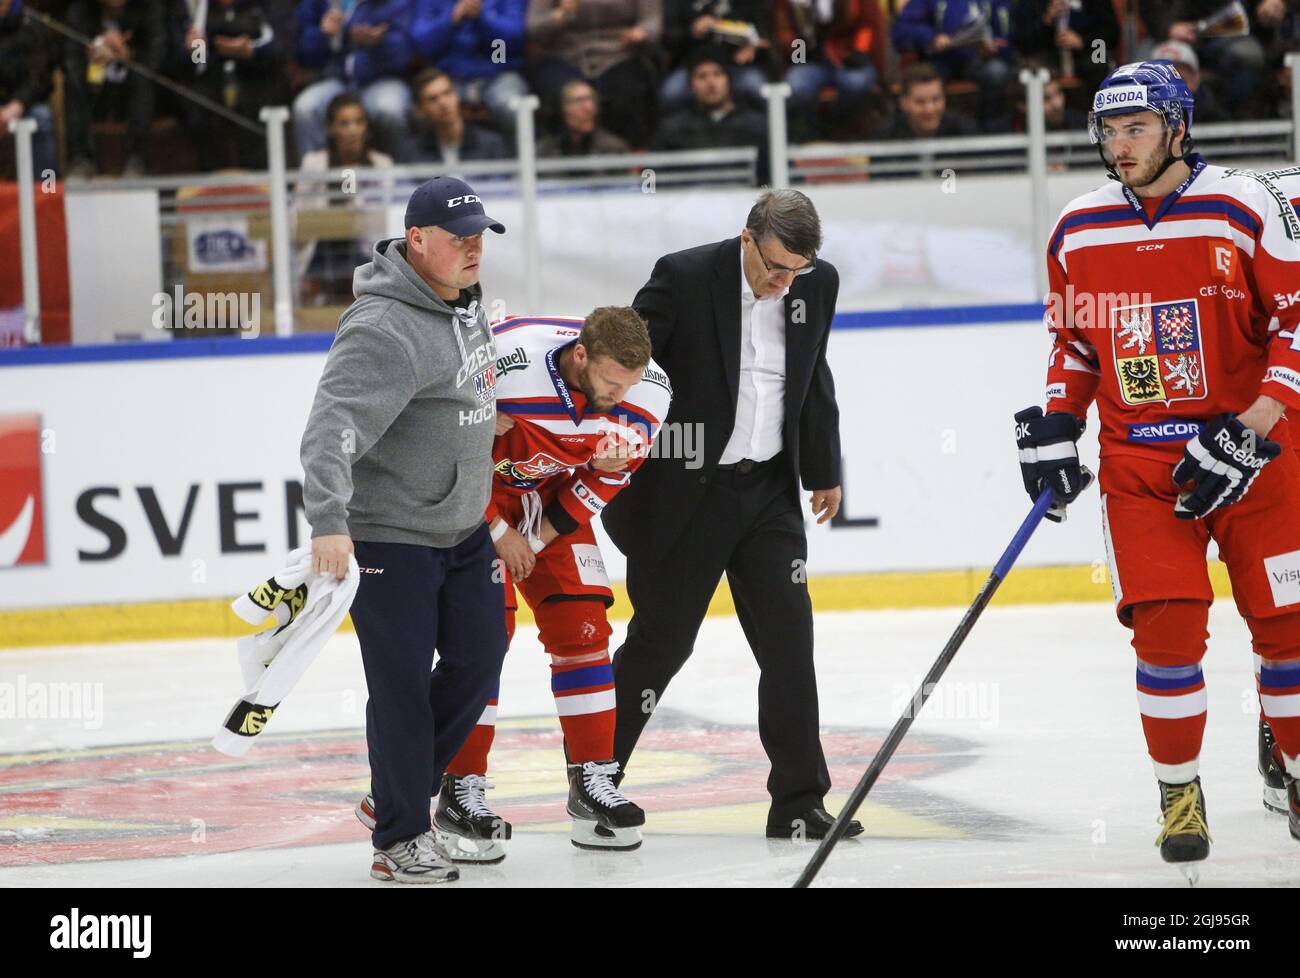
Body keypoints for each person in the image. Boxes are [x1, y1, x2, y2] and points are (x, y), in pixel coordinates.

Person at [1016, 61, 1300, 869]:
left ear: (1178, 127)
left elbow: (1296, 324)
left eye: (1136, 127)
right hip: (1142, 467)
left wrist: (1256, 424)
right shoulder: (1078, 227)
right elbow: (1073, 342)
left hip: (1260, 458)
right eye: (1108, 130)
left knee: (1287, 632)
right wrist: (1057, 421)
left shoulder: (1244, 208)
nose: (1119, 143)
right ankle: (1179, 793)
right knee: (1166, 641)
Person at [357, 309, 671, 862]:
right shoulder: (503, 362)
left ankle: (594, 779)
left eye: (630, 384)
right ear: (580, 357)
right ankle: (458, 786)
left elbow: (608, 477)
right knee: (482, 641)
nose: (622, 397)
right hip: (470, 501)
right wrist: (500, 531)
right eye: (610, 384)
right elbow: (444, 454)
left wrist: (540, 538)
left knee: (585, 628)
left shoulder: (648, 394)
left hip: (550, 502)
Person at [602, 188, 864, 841]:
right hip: (688, 495)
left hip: (770, 491)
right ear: (747, 238)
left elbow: (812, 372)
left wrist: (823, 467)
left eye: (795, 272)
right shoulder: (685, 277)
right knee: (660, 646)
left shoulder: (814, 283)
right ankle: (594, 780)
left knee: (788, 644)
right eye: (774, 267)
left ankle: (799, 800)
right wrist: (605, 443)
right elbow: (624, 363)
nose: (783, 284)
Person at [300, 175, 508, 883]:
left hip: (462, 530)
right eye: (459, 238)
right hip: (391, 536)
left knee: (482, 658)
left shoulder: (463, 302)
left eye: (480, 234)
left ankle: (397, 792)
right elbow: (332, 427)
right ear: (417, 241)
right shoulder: (384, 327)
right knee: (400, 689)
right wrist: (328, 519)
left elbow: (457, 399)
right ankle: (399, 835)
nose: (474, 247)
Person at [295, 93, 394, 302]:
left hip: (366, 253)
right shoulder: (314, 164)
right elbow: (298, 220)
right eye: (344, 123)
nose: (352, 130)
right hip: (321, 254)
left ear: (367, 127)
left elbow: (386, 221)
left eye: (358, 122)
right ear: (331, 128)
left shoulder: (382, 164)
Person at [526, 0, 662, 149]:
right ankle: (559, 160)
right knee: (560, 95)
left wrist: (642, 32)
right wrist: (559, 15)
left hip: (620, 53)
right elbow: (533, 28)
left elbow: (652, 22)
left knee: (627, 92)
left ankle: (629, 159)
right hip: (565, 56)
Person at [292, 0, 415, 158]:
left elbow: (406, 55)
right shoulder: (325, 3)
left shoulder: (397, 4)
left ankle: (404, 178)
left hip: (383, 80)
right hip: (339, 80)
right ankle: (316, 177)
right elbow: (305, 56)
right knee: (306, 108)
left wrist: (380, 44)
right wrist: (321, 34)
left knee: (390, 109)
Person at [64, 0, 168, 177]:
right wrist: (92, 55)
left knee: (143, 78)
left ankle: (136, 159)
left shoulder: (149, 7)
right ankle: (82, 158)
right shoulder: (80, 11)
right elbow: (69, 59)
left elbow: (159, 56)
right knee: (71, 83)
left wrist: (128, 55)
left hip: (135, 92)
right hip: (97, 91)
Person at [410, 0, 528, 140]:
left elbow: (515, 38)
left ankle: (516, 159)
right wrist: (451, 20)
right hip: (449, 78)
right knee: (429, 106)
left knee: (510, 105)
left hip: (499, 74)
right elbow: (421, 44)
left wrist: (482, 19)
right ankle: (430, 159)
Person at [398, 68, 509, 165]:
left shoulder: (491, 145)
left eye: (447, 93)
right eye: (433, 99)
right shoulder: (411, 153)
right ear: (420, 110)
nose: (443, 103)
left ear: (457, 96)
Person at [0, 0, 58, 179]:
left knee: (42, 118)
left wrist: (18, 104)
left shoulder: (31, 25)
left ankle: (47, 190)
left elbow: (40, 77)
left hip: (26, 104)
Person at [873, 62, 978, 139]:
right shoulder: (886, 138)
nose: (929, 109)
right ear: (903, 103)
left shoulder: (964, 131)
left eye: (936, 99)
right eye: (920, 102)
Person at [537, 79, 629, 157]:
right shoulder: (545, 152)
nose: (588, 108)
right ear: (562, 108)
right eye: (579, 101)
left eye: (591, 100)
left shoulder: (614, 149)